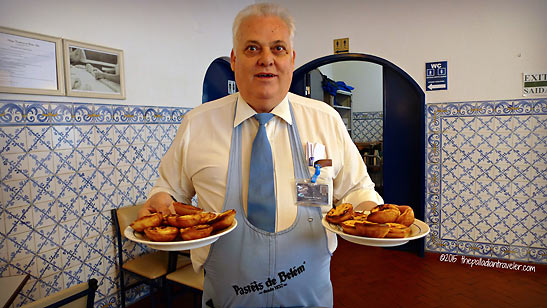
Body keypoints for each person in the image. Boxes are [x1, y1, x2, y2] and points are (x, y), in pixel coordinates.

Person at [139, 3, 383, 307]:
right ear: (234, 59)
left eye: (278, 48)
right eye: (252, 48)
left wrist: (370, 212)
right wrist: (159, 199)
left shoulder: (325, 120)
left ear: (291, 60)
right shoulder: (197, 124)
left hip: (309, 296)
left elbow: (357, 187)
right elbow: (169, 190)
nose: (266, 59)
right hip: (228, 298)